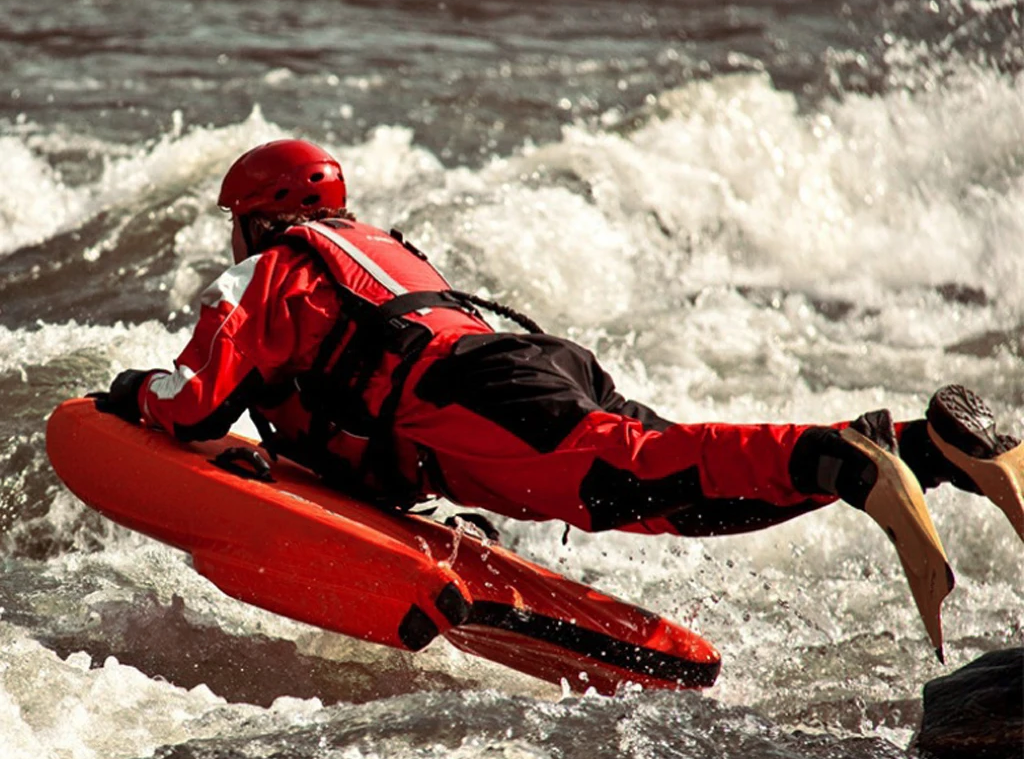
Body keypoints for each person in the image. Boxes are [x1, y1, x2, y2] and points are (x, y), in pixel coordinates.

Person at [94, 140, 1023, 562]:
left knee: (646, 475)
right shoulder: (377, 250)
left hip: (479, 397)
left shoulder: (267, 269)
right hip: (520, 369)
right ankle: (927, 450)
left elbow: (192, 400)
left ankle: (842, 453)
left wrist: (134, 392)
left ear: (261, 219)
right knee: (677, 499)